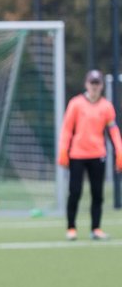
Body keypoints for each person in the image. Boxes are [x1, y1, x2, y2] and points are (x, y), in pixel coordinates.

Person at [58, 69, 122, 241]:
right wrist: (63, 149)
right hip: (77, 155)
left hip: (97, 154)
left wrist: (119, 150)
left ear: (101, 85)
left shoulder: (106, 106)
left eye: (97, 83)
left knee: (97, 193)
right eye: (92, 83)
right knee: (75, 191)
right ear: (86, 84)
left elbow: (113, 130)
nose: (94, 87)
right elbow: (67, 129)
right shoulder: (76, 104)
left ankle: (96, 228)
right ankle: (71, 228)